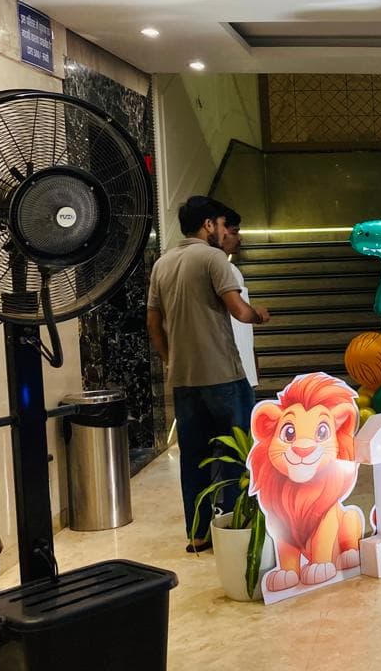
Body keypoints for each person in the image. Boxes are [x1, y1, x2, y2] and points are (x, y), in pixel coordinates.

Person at [147, 196, 270, 551]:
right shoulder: (213, 258)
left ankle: (198, 534)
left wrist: (171, 359)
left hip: (184, 380)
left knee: (194, 458)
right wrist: (258, 314)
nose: (222, 229)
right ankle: (234, 530)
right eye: (219, 223)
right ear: (207, 225)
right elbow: (238, 311)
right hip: (224, 376)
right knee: (236, 455)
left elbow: (153, 323)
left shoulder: (162, 263)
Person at [216, 204, 259, 392]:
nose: (239, 238)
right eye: (235, 232)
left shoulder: (231, 270)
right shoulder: (223, 270)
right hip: (230, 373)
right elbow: (240, 320)